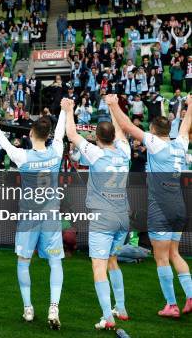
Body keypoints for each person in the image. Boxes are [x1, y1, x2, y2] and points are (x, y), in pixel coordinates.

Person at [108, 94, 192, 317]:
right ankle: (191, 297)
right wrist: (191, 105)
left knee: (161, 257)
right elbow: (186, 125)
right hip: (179, 206)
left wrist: (114, 104)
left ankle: (171, 305)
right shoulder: (180, 144)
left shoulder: (155, 144)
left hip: (161, 208)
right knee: (174, 253)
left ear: (153, 130)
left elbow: (126, 125)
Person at [0, 109, 66, 329]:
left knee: (23, 262)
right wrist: (63, 110)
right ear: (47, 134)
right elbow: (60, 134)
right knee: (55, 262)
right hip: (51, 216)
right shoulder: (56, 152)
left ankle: (28, 308)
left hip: (29, 218)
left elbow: (4, 144)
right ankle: (54, 306)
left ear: (32, 133)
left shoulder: (22, 156)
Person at [63, 98, 130, 330]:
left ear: (97, 137)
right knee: (112, 261)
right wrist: (113, 106)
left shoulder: (95, 154)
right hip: (123, 218)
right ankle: (120, 308)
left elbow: (71, 133)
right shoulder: (125, 151)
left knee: (98, 266)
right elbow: (121, 130)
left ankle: (108, 318)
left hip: (103, 218)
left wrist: (68, 109)